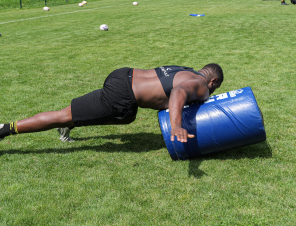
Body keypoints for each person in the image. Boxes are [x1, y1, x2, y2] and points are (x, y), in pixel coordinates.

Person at [0, 64, 223, 143]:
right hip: (123, 94)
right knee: (62, 115)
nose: (211, 91)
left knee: (128, 117)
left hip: (123, 75)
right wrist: (176, 125)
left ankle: (73, 122)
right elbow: (178, 93)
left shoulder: (186, 70)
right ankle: (5, 129)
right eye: (215, 87)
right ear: (212, 80)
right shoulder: (201, 85)